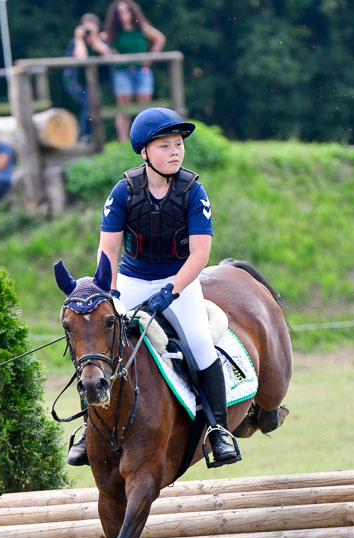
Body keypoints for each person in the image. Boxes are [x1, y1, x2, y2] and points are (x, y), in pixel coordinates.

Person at [67, 107, 239, 468]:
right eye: (165, 145)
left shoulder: (194, 192)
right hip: (130, 280)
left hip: (180, 279)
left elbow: (200, 254)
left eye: (178, 144)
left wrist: (171, 290)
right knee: (100, 341)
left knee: (198, 341)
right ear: (144, 152)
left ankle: (218, 430)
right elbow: (109, 250)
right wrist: (109, 292)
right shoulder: (123, 192)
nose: (175, 151)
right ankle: (88, 426)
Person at [104, 0, 166, 142]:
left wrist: (151, 58)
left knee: (144, 107)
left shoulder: (141, 27)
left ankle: (145, 139)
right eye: (120, 12)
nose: (124, 15)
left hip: (141, 70)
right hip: (122, 72)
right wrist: (112, 53)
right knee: (123, 109)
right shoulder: (114, 31)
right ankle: (124, 142)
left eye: (126, 11)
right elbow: (101, 41)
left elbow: (160, 38)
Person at [64, 14, 112, 141]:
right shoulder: (75, 42)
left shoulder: (101, 40)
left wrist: (95, 38)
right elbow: (81, 58)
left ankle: (90, 135)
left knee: (93, 104)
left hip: (96, 83)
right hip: (77, 82)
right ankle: (86, 134)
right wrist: (79, 38)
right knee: (89, 103)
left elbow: (106, 54)